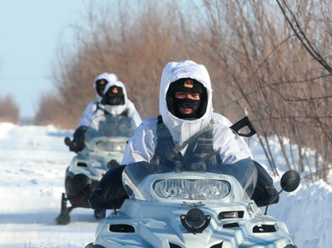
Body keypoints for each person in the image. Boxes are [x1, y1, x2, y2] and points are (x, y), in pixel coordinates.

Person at [90, 59, 279, 209]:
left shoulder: (220, 129)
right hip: (156, 216)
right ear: (168, 97)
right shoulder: (149, 131)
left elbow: (241, 166)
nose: (188, 100)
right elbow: (128, 175)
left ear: (204, 98)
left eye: (195, 96)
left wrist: (261, 185)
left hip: (218, 215)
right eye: (180, 95)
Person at [67, 77, 142, 152]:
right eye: (111, 95)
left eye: (117, 96)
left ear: (122, 96)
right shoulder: (101, 111)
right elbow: (91, 128)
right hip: (101, 148)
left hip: (125, 151)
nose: (114, 98)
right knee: (82, 130)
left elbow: (139, 127)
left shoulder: (129, 110)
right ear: (106, 96)